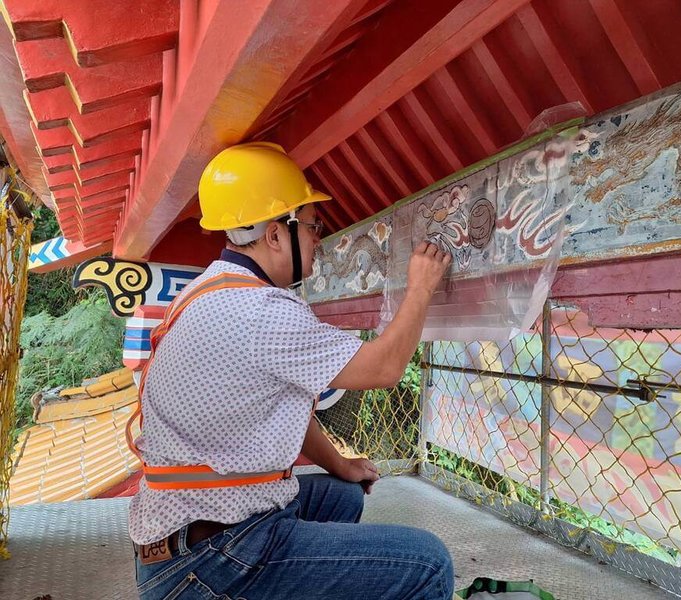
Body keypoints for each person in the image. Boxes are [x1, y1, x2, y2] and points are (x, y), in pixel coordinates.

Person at [128, 142, 454, 599]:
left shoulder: (204, 290)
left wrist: (341, 464)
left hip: (178, 539)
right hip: (209, 560)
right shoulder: (263, 310)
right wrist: (419, 288)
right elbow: (384, 367)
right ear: (275, 235)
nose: (319, 238)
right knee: (428, 564)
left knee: (342, 494)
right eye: (313, 225)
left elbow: (278, 411)